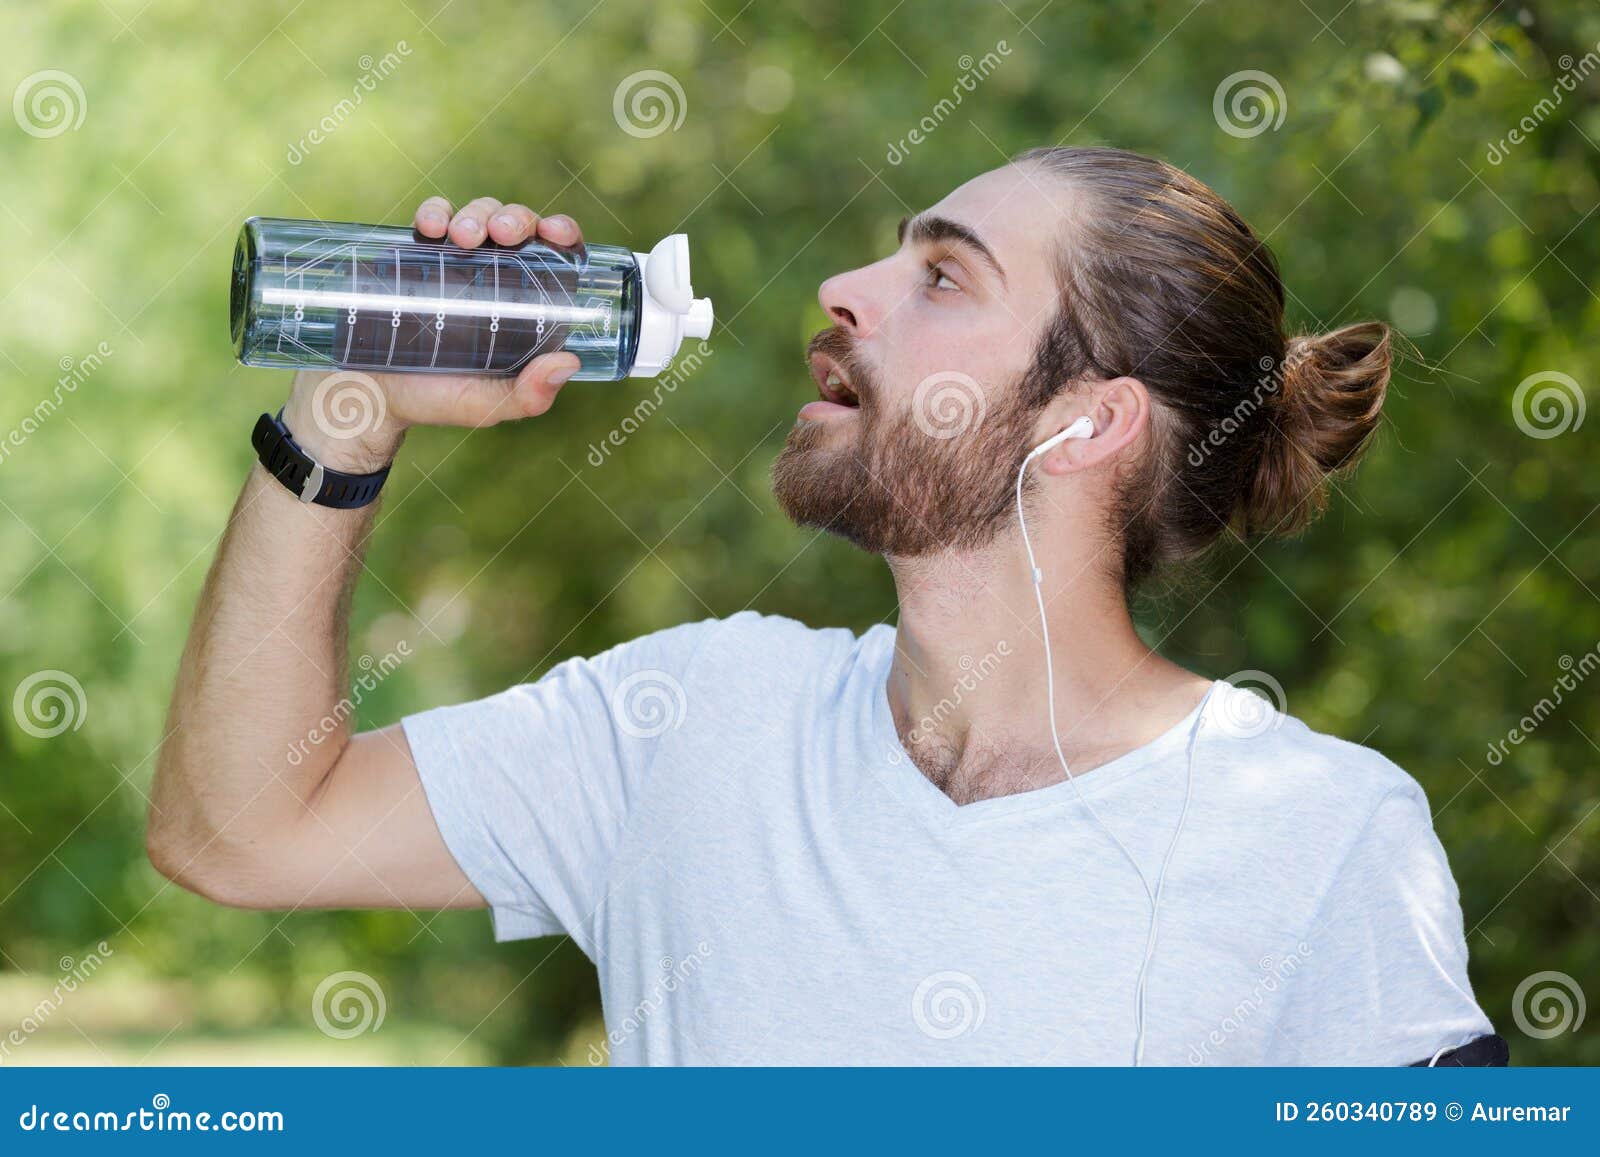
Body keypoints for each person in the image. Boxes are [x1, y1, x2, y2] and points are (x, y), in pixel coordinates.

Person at [149, 146, 1497, 1065]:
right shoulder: (689, 718)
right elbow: (238, 829)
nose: (845, 292)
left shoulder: (1321, 835)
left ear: (1086, 423)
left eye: (943, 276)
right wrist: (355, 403)